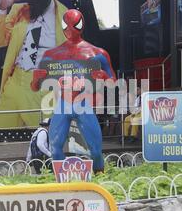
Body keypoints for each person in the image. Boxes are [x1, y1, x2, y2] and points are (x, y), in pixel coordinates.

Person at [0, 0, 68, 129]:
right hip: (15, 83)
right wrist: (2, 7)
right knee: (1, 137)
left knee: (46, 143)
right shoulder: (18, 11)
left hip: (44, 87)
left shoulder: (66, 18)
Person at [31, 9, 117, 174]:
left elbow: (114, 82)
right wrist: (36, 79)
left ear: (81, 25)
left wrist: (105, 76)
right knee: (55, 148)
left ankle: (99, 179)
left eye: (74, 25)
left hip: (83, 104)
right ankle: (65, 180)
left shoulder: (97, 54)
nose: (70, 29)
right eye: (67, 25)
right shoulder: (51, 55)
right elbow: (34, 87)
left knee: (96, 150)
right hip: (64, 104)